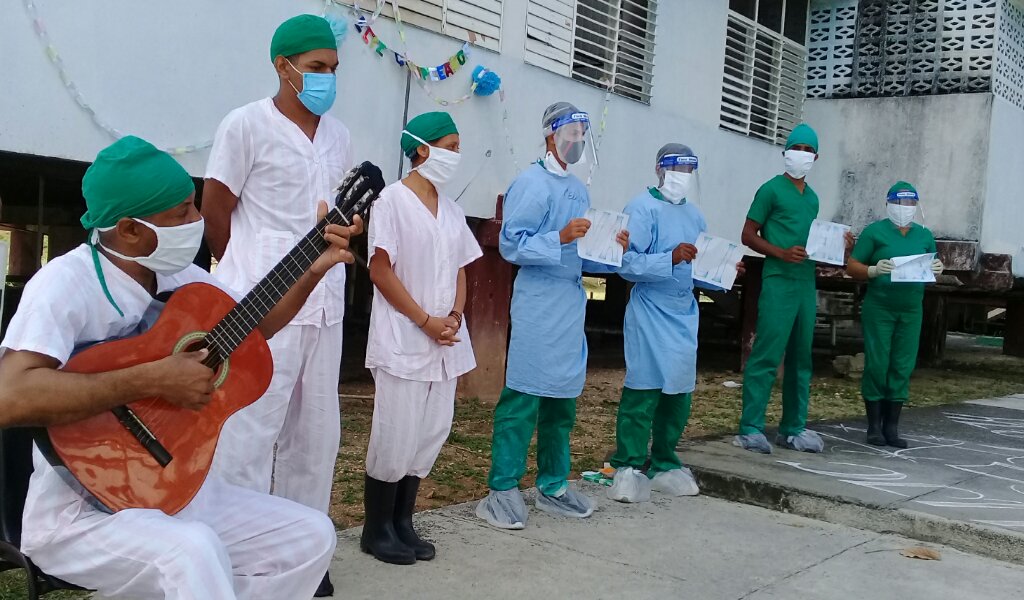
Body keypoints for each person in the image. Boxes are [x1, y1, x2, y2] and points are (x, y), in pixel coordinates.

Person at [0, 136, 360, 599]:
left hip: (172, 489)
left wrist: (312, 268)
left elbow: (253, 327)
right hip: (79, 513)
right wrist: (154, 378)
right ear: (129, 229)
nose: (198, 221)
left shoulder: (179, 277)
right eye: (182, 213)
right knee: (192, 552)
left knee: (310, 536)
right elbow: (10, 395)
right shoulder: (64, 284)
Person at [202, 14, 351, 595]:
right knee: (248, 433)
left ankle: (301, 557)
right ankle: (235, 559)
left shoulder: (338, 135)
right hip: (260, 306)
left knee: (316, 437)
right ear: (282, 66)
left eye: (333, 70)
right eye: (316, 69)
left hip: (325, 302)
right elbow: (216, 206)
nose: (326, 80)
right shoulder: (244, 125)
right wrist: (240, 275)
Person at [476, 102, 628, 529]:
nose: (578, 141)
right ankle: (502, 487)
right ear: (550, 135)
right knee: (523, 396)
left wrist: (613, 246)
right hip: (538, 302)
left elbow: (583, 253)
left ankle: (554, 485)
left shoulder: (579, 191)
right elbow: (511, 245)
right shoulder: (531, 183)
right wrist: (559, 236)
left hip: (569, 302)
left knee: (562, 399)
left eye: (583, 134)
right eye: (572, 133)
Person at [362, 112, 482, 564]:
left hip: (445, 340)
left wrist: (453, 315)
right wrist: (424, 320)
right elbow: (380, 269)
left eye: (458, 146)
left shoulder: (451, 210)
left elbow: (460, 270)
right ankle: (376, 530)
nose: (456, 155)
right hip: (405, 338)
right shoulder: (391, 201)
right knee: (396, 433)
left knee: (431, 431)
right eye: (449, 145)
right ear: (421, 149)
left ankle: (403, 523)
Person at [608, 144, 744, 503]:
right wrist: (669, 257)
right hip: (650, 308)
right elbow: (626, 264)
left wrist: (726, 272)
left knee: (679, 389)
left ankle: (665, 459)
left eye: (689, 169)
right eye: (676, 168)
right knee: (644, 385)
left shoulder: (695, 217)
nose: (682, 175)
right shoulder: (641, 208)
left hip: (683, 310)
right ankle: (628, 462)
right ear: (658, 169)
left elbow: (698, 270)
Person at [735, 123, 852, 455]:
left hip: (805, 281)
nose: (801, 155)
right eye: (795, 149)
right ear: (785, 152)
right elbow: (748, 234)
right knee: (768, 354)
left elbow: (815, 242)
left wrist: (842, 246)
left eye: (807, 150)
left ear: (816, 157)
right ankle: (750, 427)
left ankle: (793, 428)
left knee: (802, 357)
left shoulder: (812, 198)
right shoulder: (771, 190)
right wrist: (780, 252)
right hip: (778, 279)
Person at [847, 182, 942, 448]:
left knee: (902, 364)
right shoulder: (874, 232)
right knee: (878, 363)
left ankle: (892, 426)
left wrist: (938, 267)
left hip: (911, 308)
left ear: (917, 206)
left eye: (910, 204)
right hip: (880, 307)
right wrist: (873, 270)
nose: (904, 209)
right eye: (899, 203)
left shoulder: (924, 235)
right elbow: (852, 266)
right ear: (888, 204)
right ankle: (874, 426)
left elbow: (931, 266)